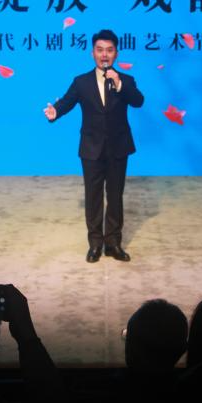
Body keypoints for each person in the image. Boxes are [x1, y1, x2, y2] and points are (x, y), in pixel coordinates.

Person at [44, 29, 144, 262]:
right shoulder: (81, 81)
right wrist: (55, 112)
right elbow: (66, 102)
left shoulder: (126, 80)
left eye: (109, 50)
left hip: (118, 147)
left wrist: (119, 83)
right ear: (92, 53)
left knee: (115, 196)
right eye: (100, 50)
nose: (104, 55)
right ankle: (95, 244)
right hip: (91, 148)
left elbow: (138, 101)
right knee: (93, 197)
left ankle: (113, 244)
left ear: (116, 53)